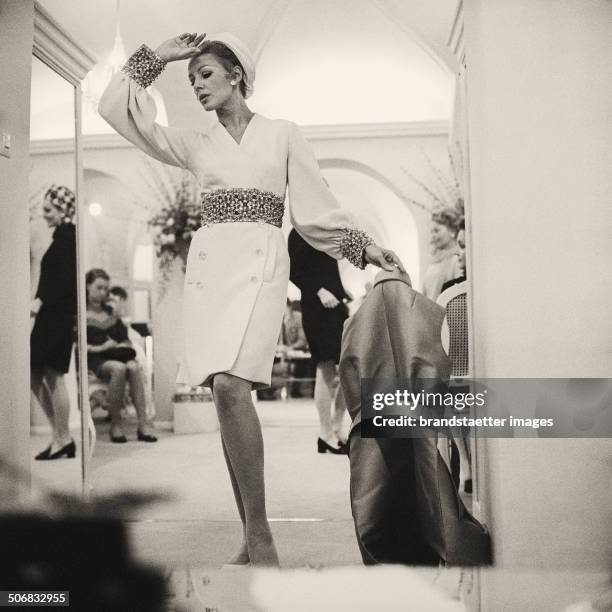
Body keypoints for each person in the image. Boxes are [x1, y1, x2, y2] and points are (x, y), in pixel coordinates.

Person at [99, 31, 403, 566]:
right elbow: (118, 111)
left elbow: (314, 213)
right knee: (223, 392)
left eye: (206, 74)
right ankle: (252, 536)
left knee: (235, 388)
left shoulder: (283, 134)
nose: (196, 86)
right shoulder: (193, 142)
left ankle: (261, 537)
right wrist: (159, 56)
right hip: (212, 269)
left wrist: (365, 249)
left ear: (236, 74)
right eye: (191, 79)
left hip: (262, 268)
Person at [288, 228, 349, 454]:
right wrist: (320, 290)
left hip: (336, 306)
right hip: (315, 307)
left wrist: (340, 290)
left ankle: (337, 426)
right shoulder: (299, 232)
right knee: (325, 368)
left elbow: (326, 268)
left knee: (348, 367)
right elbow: (293, 270)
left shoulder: (324, 229)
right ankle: (325, 433)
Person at [30, 185, 78, 460]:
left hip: (57, 316)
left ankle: (63, 438)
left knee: (53, 376)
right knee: (36, 374)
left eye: (48, 210)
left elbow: (62, 282)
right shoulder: (61, 237)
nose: (43, 215)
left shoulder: (68, 238)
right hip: (50, 315)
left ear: (62, 211)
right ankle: (60, 436)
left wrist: (39, 301)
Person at [86, 269, 157, 444]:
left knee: (133, 366)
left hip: (118, 353)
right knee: (119, 368)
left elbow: (124, 338)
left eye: (105, 289)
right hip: (97, 358)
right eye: (98, 287)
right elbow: (79, 346)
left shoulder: (111, 313)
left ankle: (143, 424)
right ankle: (116, 425)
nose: (102, 292)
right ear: (87, 286)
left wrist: (120, 343)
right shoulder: (80, 314)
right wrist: (101, 346)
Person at [422, 208, 462, 301]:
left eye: (437, 231)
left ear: (452, 230)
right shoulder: (434, 261)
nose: (433, 236)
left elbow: (458, 293)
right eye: (432, 232)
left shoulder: (457, 259)